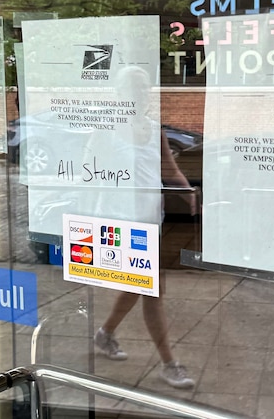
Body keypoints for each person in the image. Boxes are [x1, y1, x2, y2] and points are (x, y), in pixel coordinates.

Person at [91, 67, 197, 389]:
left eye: (142, 88)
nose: (138, 94)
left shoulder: (155, 130)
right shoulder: (106, 131)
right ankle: (169, 363)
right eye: (131, 88)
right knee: (151, 289)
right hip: (119, 222)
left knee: (142, 286)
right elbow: (90, 173)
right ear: (119, 93)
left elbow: (169, 170)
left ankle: (105, 334)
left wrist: (190, 193)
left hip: (149, 220)